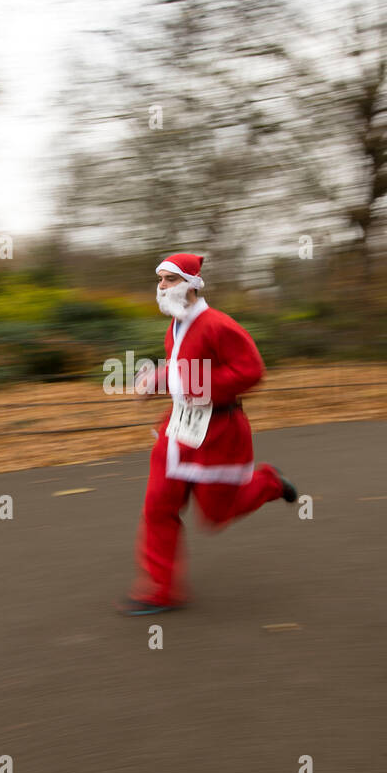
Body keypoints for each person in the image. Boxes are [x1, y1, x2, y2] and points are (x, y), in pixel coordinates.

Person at [117, 253, 298, 615]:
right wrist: (155, 378)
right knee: (157, 507)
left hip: (218, 433)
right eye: (160, 280)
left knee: (215, 516)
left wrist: (185, 382)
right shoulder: (175, 325)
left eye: (170, 280)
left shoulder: (219, 325)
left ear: (192, 284)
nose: (162, 287)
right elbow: (181, 368)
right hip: (177, 430)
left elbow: (250, 372)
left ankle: (268, 482)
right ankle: (160, 590)